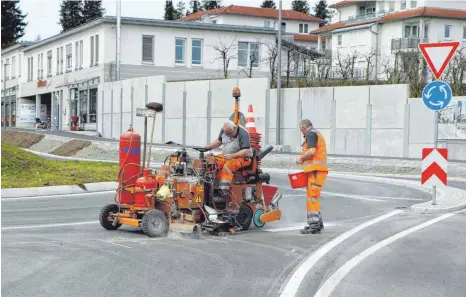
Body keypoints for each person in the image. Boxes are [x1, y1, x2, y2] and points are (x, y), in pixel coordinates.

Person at [204, 120, 252, 201]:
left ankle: (222, 194)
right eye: (226, 134)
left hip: (242, 157)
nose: (228, 135)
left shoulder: (243, 133)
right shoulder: (224, 130)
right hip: (228, 155)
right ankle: (208, 188)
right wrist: (207, 147)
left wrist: (233, 156)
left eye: (230, 134)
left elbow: (245, 151)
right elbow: (219, 142)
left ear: (235, 128)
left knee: (227, 167)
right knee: (211, 162)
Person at [295, 119, 328, 234]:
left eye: (301, 130)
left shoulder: (311, 134)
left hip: (316, 170)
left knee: (312, 197)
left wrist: (301, 158)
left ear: (304, 127)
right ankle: (317, 224)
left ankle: (314, 225)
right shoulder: (315, 134)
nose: (301, 133)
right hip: (316, 171)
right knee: (312, 196)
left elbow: (312, 151)